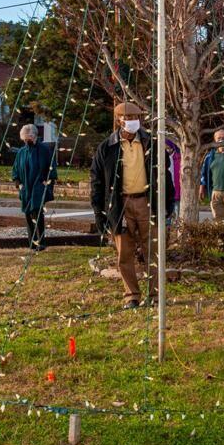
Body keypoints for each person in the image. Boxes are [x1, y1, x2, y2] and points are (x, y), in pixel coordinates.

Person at [90, 101, 174, 309]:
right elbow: (97, 181)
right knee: (124, 254)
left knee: (153, 252)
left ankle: (155, 295)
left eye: (135, 118)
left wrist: (168, 202)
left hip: (147, 202)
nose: (132, 121)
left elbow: (165, 175)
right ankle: (131, 296)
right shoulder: (106, 148)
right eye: (127, 118)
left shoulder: (151, 144)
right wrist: (99, 213)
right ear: (119, 120)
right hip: (120, 205)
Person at [12, 123, 56, 251]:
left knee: (37, 212)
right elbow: (15, 170)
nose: (26, 140)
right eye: (24, 138)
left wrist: (47, 182)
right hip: (25, 186)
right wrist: (18, 183)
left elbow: (51, 167)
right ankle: (32, 242)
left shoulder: (44, 150)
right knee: (27, 213)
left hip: (39, 185)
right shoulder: (21, 152)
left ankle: (41, 242)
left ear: (35, 136)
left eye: (28, 138)